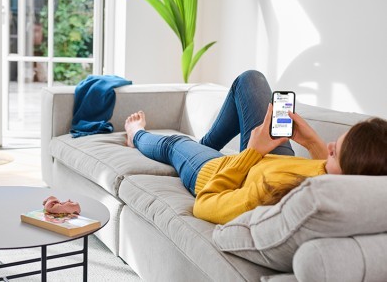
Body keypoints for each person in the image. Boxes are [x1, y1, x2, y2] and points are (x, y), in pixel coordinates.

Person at [124, 70, 387, 224]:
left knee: (175, 144)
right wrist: (310, 141)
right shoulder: (345, 181)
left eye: (334, 151)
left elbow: (204, 205)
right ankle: (204, 147)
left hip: (222, 171)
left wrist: (253, 152)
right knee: (250, 80)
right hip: (271, 161)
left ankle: (136, 135)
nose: (329, 145)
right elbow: (323, 170)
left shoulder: (274, 193)